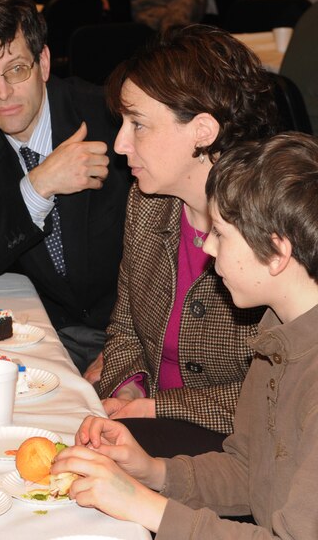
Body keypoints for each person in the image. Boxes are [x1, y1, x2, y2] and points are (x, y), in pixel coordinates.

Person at [53, 132, 318, 538]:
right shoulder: (277, 334)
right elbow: (248, 471)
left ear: (277, 253)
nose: (207, 247)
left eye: (221, 234)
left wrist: (144, 505)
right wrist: (153, 471)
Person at [91, 25, 277, 457]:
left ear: (203, 131)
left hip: (242, 450)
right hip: (152, 426)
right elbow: (125, 329)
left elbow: (280, 389)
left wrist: (157, 408)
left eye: (138, 124)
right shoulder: (147, 203)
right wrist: (129, 388)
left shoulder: (274, 229)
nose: (120, 144)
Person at [0, 0, 132, 374]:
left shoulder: (110, 119)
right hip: (42, 334)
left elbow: (169, 250)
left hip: (127, 334)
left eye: (15, 70)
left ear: (43, 63)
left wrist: (124, 352)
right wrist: (38, 185)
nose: (3, 93)